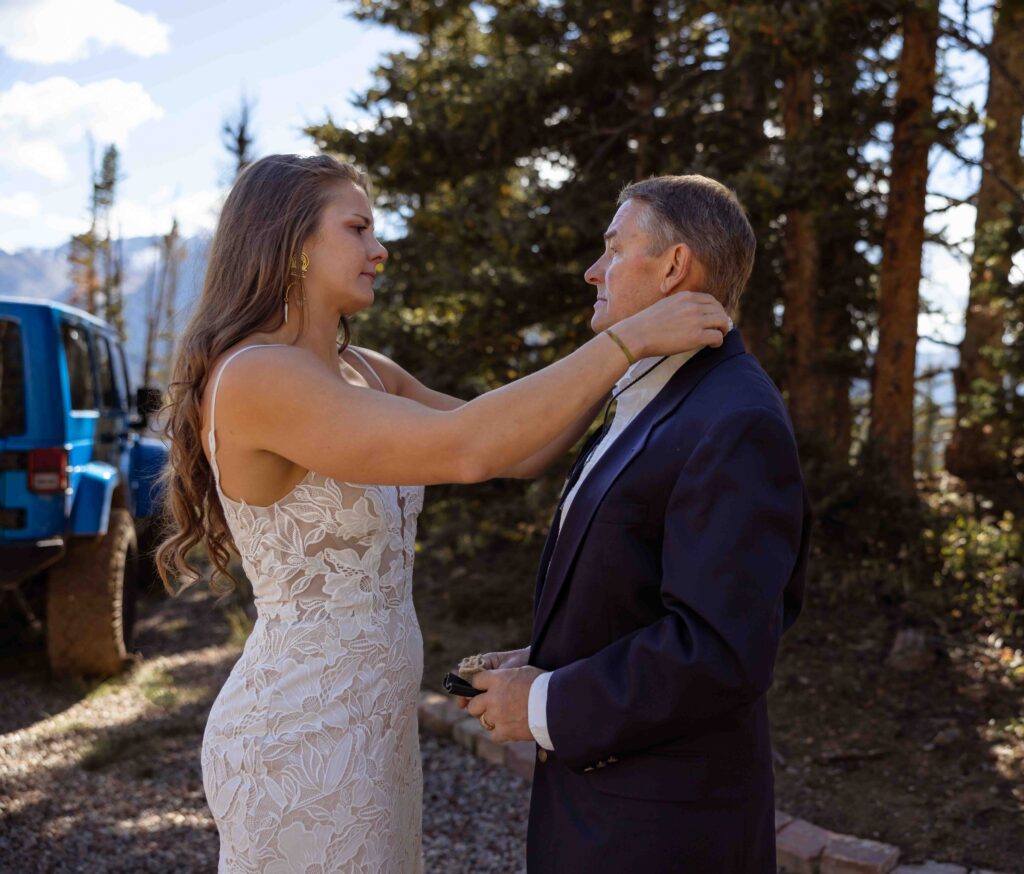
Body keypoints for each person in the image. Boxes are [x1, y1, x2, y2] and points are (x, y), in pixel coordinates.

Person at [155, 154, 731, 873]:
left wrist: (631, 367)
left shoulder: (365, 370)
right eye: (358, 227)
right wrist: (624, 342)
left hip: (373, 731)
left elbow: (514, 451)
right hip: (299, 733)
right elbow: (463, 449)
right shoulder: (257, 376)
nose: (379, 248)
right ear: (293, 243)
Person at [462, 175, 812, 873]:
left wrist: (545, 702)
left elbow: (719, 648)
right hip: (605, 814)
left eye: (614, 249)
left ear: (675, 266)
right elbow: (640, 589)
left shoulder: (734, 418)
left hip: (664, 833)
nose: (594, 270)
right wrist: (543, 660)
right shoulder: (653, 397)